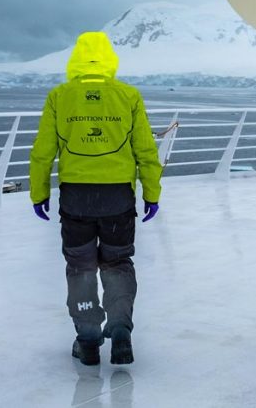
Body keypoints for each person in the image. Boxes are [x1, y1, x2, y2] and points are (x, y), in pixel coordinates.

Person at [29, 31, 163, 366]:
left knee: (80, 266)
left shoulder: (59, 96)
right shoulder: (128, 95)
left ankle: (87, 341)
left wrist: (39, 193)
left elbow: (42, 153)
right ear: (109, 59)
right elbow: (146, 150)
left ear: (75, 58)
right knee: (117, 262)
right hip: (118, 196)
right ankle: (120, 332)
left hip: (76, 197)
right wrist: (152, 192)